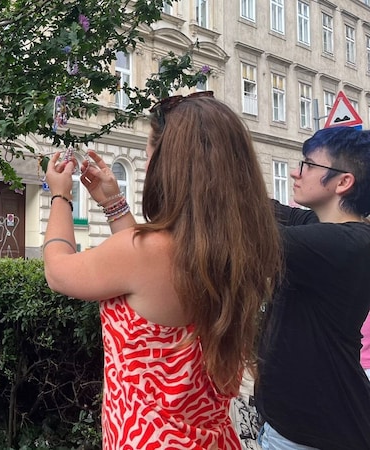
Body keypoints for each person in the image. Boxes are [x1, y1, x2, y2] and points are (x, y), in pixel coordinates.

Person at [42, 92, 282, 449]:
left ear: (168, 163)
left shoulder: (146, 252)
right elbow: (146, 278)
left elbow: (57, 270)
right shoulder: (239, 251)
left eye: (150, 151)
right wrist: (113, 203)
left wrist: (60, 195)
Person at [255, 126, 370, 450]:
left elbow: (244, 239)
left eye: (308, 165)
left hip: (311, 434)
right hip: (301, 426)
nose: (295, 172)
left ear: (343, 181)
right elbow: (265, 210)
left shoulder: (343, 244)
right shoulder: (325, 229)